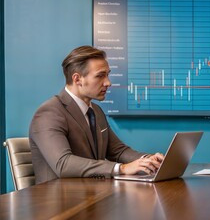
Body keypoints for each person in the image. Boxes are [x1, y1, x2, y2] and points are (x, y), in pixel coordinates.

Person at [29, 45, 164, 184]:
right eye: (100, 76)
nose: (108, 82)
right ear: (77, 79)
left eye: (107, 74)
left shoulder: (96, 111)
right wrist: (121, 168)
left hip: (93, 194)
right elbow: (63, 164)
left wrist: (149, 160)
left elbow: (118, 151)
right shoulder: (49, 113)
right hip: (61, 201)